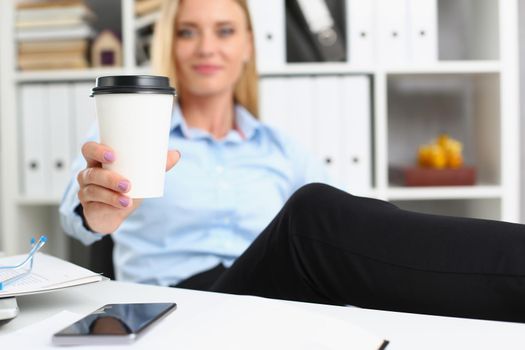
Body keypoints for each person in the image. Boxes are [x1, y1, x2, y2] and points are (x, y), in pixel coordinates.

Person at [60, 0, 525, 323]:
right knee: (310, 213)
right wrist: (98, 207)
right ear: (170, 44)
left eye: (224, 31)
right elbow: (80, 211)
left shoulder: (279, 147)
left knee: (330, 214)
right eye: (188, 32)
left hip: (270, 306)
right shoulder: (134, 131)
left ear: (247, 46)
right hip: (181, 312)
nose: (206, 47)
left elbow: (352, 232)